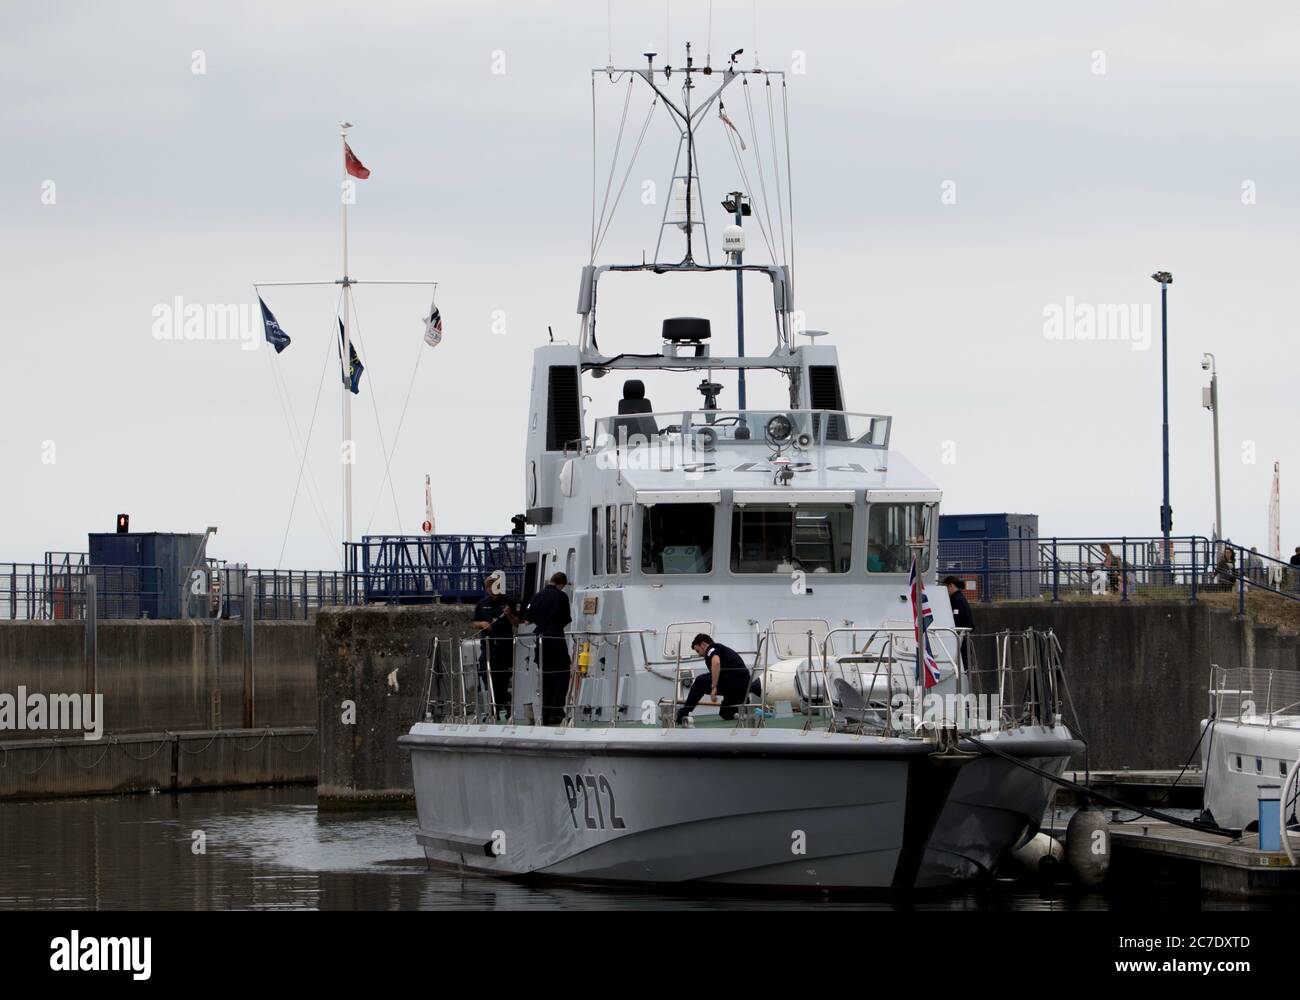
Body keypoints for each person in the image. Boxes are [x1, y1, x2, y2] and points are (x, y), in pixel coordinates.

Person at [523, 571, 572, 725]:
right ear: (561, 583)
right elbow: (565, 619)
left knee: (545, 676)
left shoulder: (537, 596)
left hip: (541, 639)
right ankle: (556, 711)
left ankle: (545, 712)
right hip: (556, 638)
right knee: (562, 674)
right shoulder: (562, 597)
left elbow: (527, 619)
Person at [471, 572, 520, 719]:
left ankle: (501, 703)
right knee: (486, 674)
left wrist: (509, 614)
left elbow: (517, 622)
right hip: (488, 645)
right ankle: (497, 703)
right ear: (487, 588)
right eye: (490, 587)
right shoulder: (482, 604)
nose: (493, 589)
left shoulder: (508, 601)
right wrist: (482, 624)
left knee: (504, 677)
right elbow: (474, 623)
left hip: (504, 645)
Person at [676, 634, 753, 725]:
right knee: (725, 713)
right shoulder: (721, 649)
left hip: (733, 681)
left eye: (698, 650)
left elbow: (716, 663)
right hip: (742, 687)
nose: (699, 654)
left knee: (700, 681)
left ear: (704, 644)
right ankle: (743, 706)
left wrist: (714, 687)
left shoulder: (711, 648)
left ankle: (683, 713)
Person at [943, 576, 975, 668]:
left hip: (960, 639)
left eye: (945, 588)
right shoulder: (960, 598)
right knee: (965, 668)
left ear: (951, 586)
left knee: (962, 666)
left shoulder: (955, 600)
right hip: (963, 638)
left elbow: (958, 620)